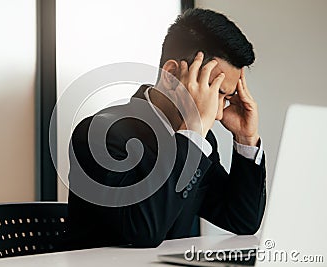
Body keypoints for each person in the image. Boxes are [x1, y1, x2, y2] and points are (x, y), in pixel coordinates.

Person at [66, 8, 266, 249]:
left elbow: (242, 220)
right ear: (171, 74)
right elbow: (143, 232)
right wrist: (193, 132)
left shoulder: (202, 141)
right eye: (214, 91)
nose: (219, 112)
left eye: (225, 97)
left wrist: (245, 138)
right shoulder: (99, 134)